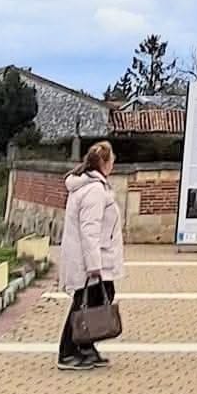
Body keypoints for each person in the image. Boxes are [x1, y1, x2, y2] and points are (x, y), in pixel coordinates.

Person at [57, 141, 125, 370]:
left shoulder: (94, 186)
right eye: (112, 158)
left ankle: (85, 345)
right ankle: (68, 351)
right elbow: (90, 229)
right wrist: (93, 265)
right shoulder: (94, 190)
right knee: (85, 302)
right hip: (91, 258)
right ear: (104, 163)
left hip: (96, 255)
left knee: (97, 298)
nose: (114, 162)